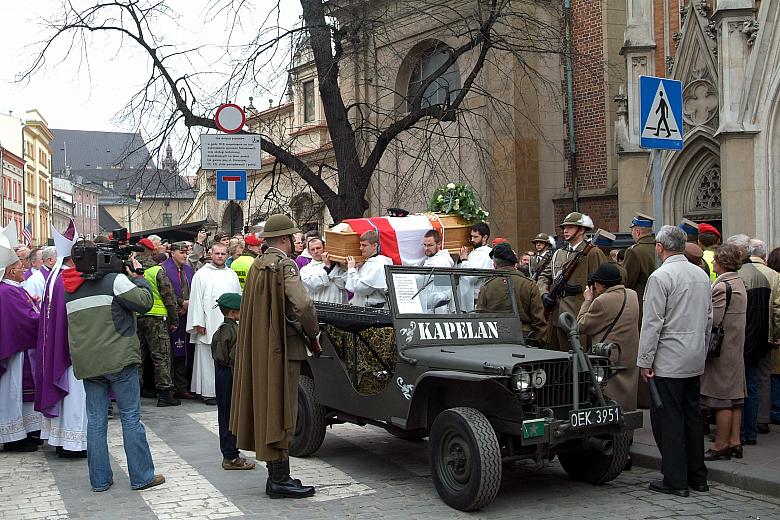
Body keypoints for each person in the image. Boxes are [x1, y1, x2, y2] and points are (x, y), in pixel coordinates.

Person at [230, 213, 319, 499]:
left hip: (262, 346)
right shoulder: (284, 265)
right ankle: (280, 480)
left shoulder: (258, 264)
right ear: (283, 238)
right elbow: (303, 305)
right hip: (283, 348)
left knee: (270, 407)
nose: (295, 241)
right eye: (292, 236)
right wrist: (313, 333)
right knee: (283, 410)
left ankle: (277, 477)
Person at [65, 240, 165, 492]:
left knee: (96, 421)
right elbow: (144, 302)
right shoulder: (115, 281)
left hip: (89, 363)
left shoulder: (70, 288)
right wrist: (139, 277)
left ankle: (99, 481)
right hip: (118, 359)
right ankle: (142, 476)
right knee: (130, 417)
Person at [637, 225, 711, 497]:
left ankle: (676, 479)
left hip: (668, 358)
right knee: (692, 418)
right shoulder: (700, 274)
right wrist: (701, 350)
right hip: (693, 355)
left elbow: (652, 323)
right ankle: (697, 476)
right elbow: (709, 318)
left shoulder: (660, 276)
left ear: (660, 247)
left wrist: (645, 360)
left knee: (668, 420)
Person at [35, 220, 89, 458]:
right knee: (75, 395)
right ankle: (72, 444)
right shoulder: (67, 279)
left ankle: (60, 439)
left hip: (59, 345)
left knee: (69, 396)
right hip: (71, 347)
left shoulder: (54, 276)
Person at [725, 234, 779, 445]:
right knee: (757, 381)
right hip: (761, 337)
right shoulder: (766, 275)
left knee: (740, 386)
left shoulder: (739, 276)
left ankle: (739, 431)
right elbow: (773, 309)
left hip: (742, 339)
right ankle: (756, 425)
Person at [700, 244, 747, 461]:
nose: (713, 262)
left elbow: (714, 320)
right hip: (735, 347)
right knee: (734, 398)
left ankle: (721, 445)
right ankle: (735, 442)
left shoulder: (722, 286)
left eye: (716, 259)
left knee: (722, 400)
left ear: (723, 262)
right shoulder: (738, 282)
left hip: (723, 350)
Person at [538, 212, 607, 350]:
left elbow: (601, 286)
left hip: (578, 313)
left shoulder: (592, 253)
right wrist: (544, 293)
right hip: (557, 313)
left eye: (570, 227)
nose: (565, 230)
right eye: (564, 227)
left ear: (581, 230)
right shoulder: (559, 253)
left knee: (577, 355)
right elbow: (544, 277)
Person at [577, 262, 640, 411]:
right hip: (630, 355)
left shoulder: (602, 301)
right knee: (627, 397)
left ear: (601, 285)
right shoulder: (632, 295)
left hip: (609, 358)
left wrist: (587, 300)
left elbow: (580, 325)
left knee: (609, 399)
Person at [0, 231, 42, 452]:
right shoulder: (7, 291)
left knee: (21, 390)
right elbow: (25, 319)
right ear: (10, 271)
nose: (23, 269)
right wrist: (45, 317)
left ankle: (27, 430)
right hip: (13, 351)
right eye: (19, 267)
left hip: (21, 349)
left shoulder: (14, 289)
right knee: (12, 391)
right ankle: (13, 437)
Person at [187, 242, 241, 405]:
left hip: (230, 324)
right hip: (208, 322)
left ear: (227, 255)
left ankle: (226, 391)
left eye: (223, 254)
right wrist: (198, 322)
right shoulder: (201, 274)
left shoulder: (232, 274)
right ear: (211, 254)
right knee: (207, 358)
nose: (220, 256)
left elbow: (237, 297)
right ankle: (209, 392)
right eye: (217, 253)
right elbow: (196, 299)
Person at [210, 292, 255, 471]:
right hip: (228, 375)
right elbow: (230, 357)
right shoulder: (231, 330)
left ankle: (231, 453)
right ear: (232, 312)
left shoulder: (226, 328)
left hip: (224, 374)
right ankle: (230, 456)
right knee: (229, 415)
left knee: (227, 414)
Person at [477, 243, 546, 342]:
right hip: (524, 337)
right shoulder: (529, 284)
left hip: (495, 337)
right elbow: (539, 320)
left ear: (494, 264)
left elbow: (480, 318)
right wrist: (539, 342)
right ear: (515, 264)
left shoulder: (487, 286)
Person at [746, 238, 780, 436]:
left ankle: (748, 420)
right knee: (764, 376)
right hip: (766, 334)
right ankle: (763, 418)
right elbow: (777, 307)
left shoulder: (743, 271)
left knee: (748, 376)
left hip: (747, 334)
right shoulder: (773, 274)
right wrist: (776, 333)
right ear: (764, 255)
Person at [161, 242, 196, 400]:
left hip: (187, 314)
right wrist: (180, 303)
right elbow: (164, 291)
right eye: (181, 252)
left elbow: (194, 289)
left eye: (186, 252)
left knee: (185, 351)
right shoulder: (164, 269)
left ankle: (183, 385)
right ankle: (174, 386)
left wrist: (188, 306)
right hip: (171, 315)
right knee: (174, 351)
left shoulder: (188, 269)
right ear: (172, 253)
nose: (185, 255)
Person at [345, 230, 393, 308]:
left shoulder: (379, 264)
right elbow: (348, 285)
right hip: (361, 307)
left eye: (364, 245)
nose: (360, 248)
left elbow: (361, 289)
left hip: (374, 308)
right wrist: (355, 268)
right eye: (360, 245)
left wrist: (351, 269)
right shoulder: (366, 262)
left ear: (374, 246)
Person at [623, 212, 656, 312]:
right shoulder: (659, 248)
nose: (631, 233)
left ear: (638, 232)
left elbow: (627, 281)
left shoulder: (633, 251)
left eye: (632, 230)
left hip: (641, 303)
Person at [457, 223, 493, 311]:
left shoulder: (487, 254)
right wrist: (460, 260)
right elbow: (460, 274)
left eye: (475, 237)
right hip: (464, 296)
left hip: (476, 299)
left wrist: (464, 260)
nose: (472, 240)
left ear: (485, 237)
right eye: (471, 236)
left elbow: (472, 275)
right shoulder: (474, 252)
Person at [300, 238, 348, 303]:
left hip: (338, 304)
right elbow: (313, 285)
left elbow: (343, 285)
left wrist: (334, 265)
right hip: (318, 306)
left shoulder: (337, 265)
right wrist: (327, 267)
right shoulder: (305, 270)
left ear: (324, 248)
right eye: (312, 249)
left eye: (318, 248)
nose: (316, 251)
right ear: (309, 251)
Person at [766, 247, 780, 426]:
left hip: (774, 334)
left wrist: (776, 334)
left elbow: (777, 309)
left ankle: (776, 411)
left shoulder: (772, 277)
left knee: (775, 375)